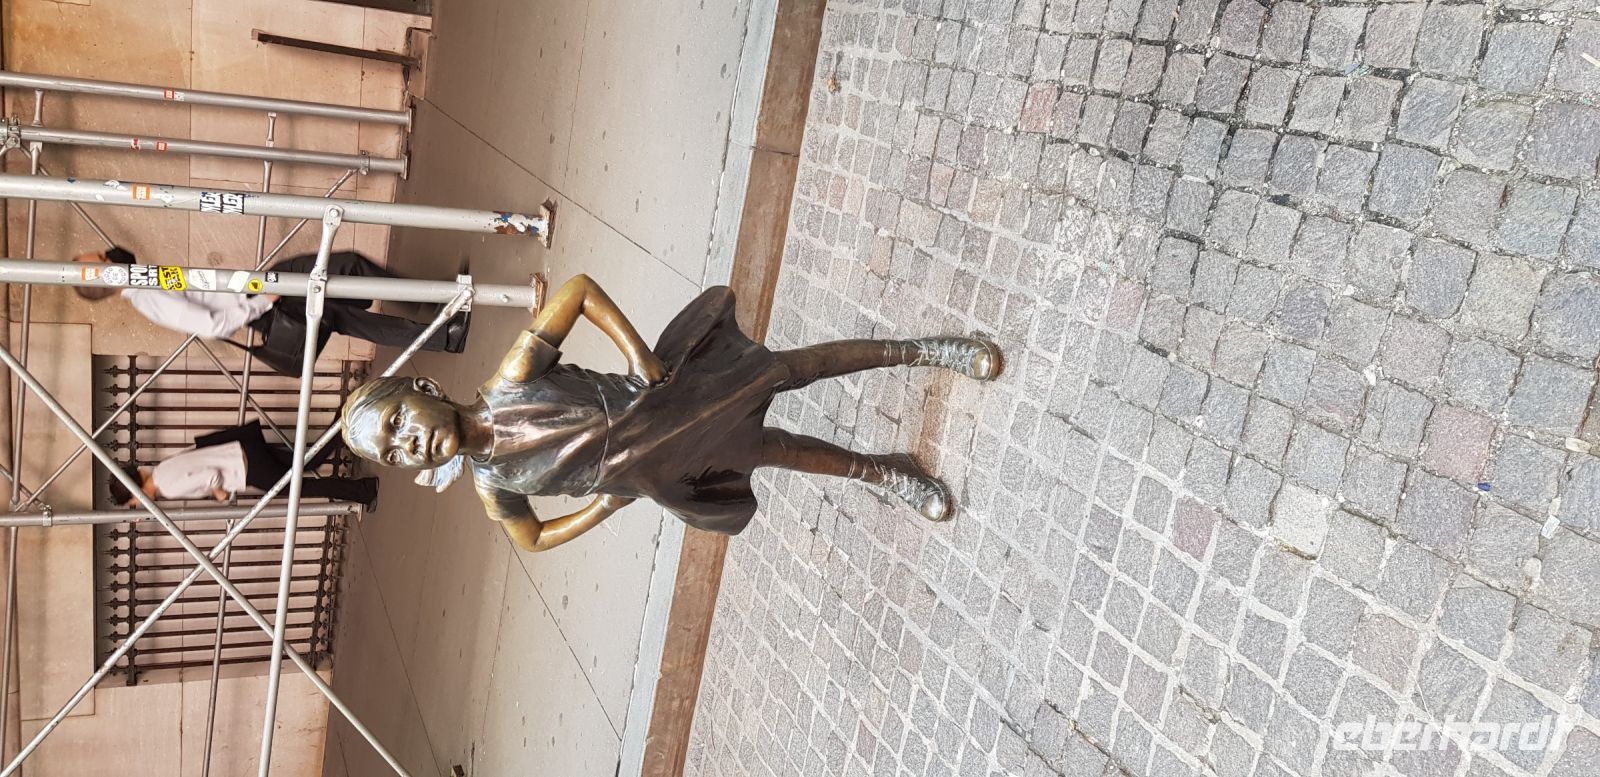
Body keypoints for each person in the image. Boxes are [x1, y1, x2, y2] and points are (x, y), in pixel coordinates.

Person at [338, 274, 1001, 553]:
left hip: (671, 398)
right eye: (393, 453)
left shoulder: (513, 378)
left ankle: (919, 350)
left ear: (421, 386)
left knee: (791, 368)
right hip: (672, 466)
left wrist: (635, 353)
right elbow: (532, 540)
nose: (409, 443)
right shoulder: (495, 487)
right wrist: (604, 505)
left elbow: (576, 292)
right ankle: (886, 471)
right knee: (781, 452)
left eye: (397, 422)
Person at [73, 247, 471, 365]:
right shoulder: (148, 297)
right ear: (108, 279)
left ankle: (434, 307)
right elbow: (211, 326)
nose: (108, 254)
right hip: (264, 302)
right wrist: (262, 302)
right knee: (350, 307)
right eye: (103, 261)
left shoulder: (147, 284)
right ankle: (443, 330)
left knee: (348, 280)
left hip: (259, 291)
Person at [107, 420, 378, 508]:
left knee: (302, 488)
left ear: (135, 491)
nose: (138, 506)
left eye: (133, 503)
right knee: (310, 459)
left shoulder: (168, 486)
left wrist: (219, 494)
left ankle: (364, 490)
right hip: (245, 452)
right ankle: (348, 421)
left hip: (247, 469)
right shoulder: (162, 468)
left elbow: (210, 476)